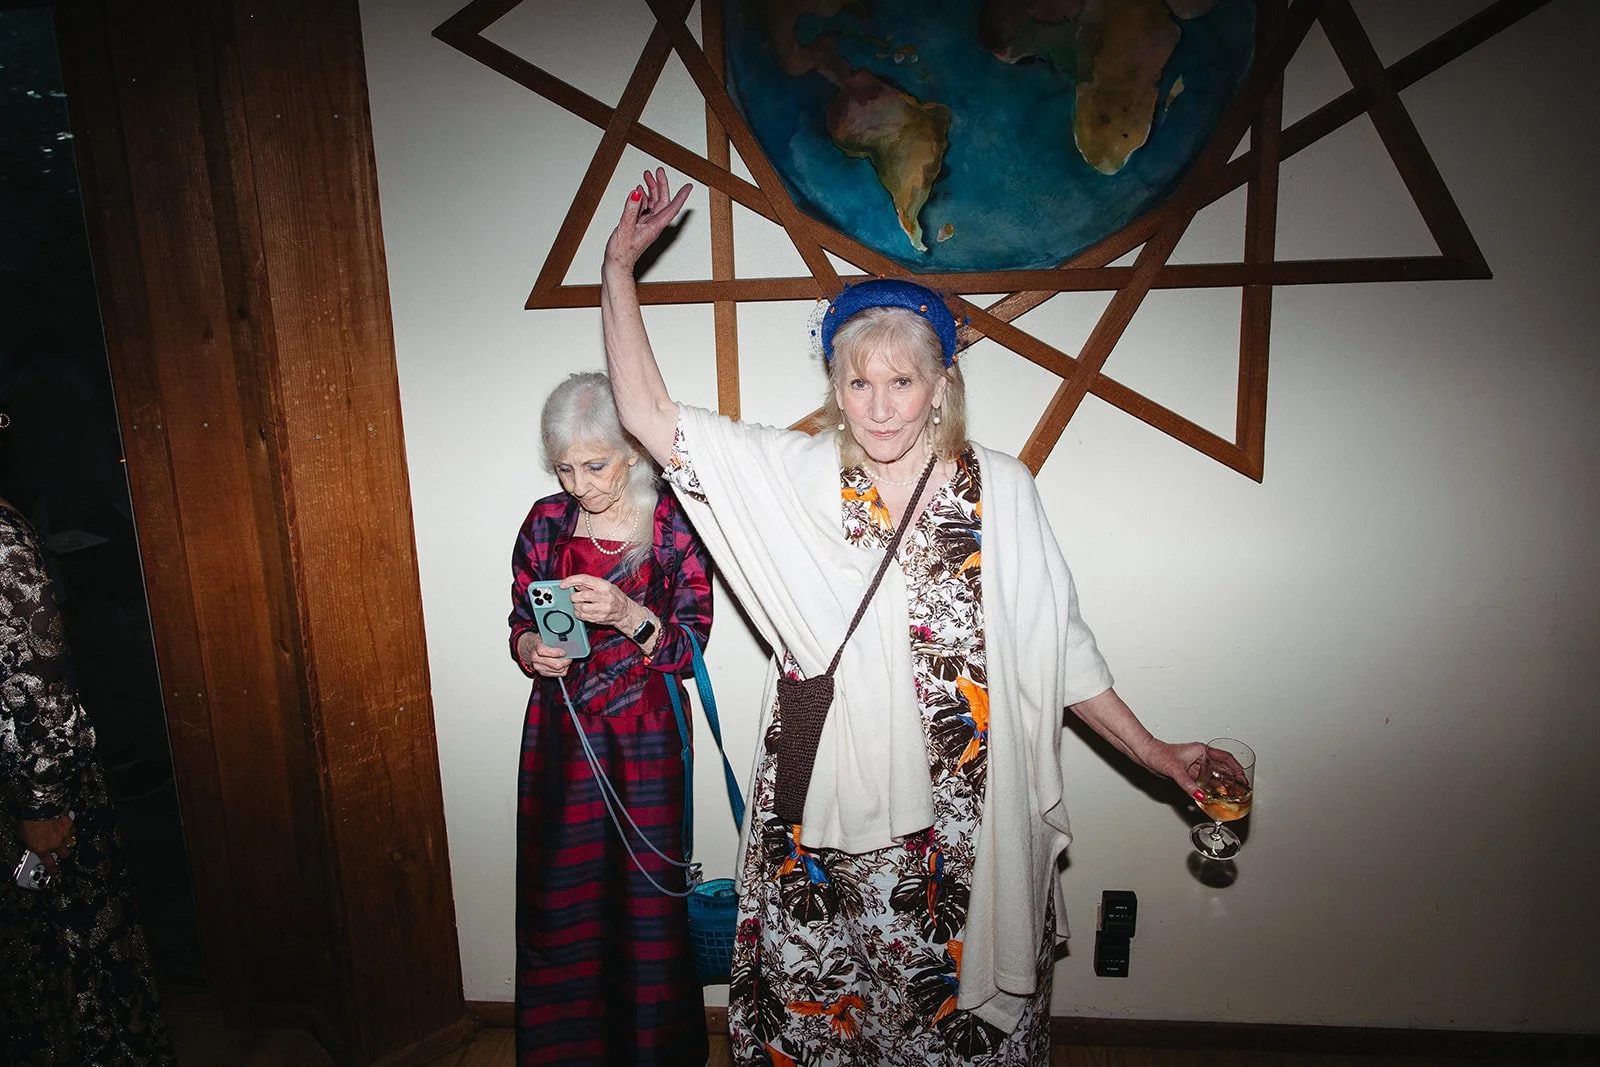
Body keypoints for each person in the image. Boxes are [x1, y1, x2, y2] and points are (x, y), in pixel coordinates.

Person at [600, 169, 1211, 1066]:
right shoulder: (796, 475)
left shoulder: (1001, 491)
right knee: (830, 1022)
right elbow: (649, 415)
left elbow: (1062, 653)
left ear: (939, 385)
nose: (879, 405)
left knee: (959, 1031)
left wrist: (1154, 753)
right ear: (836, 386)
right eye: (858, 382)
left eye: (901, 380)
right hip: (824, 821)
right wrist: (620, 270)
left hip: (964, 826)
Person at [507, 371, 714, 1066]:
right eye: (565, 468)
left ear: (632, 450)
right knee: (559, 900)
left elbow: (690, 648)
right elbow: (520, 621)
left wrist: (629, 615)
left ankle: (653, 1052)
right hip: (560, 739)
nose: (579, 485)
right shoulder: (545, 523)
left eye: (594, 465)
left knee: (647, 906)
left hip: (646, 742)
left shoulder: (673, 523)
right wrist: (531, 649)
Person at [0, 492, 175, 1065]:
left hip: (31, 786)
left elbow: (42, 683)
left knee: (71, 963)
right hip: (30, 780)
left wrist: (42, 803)